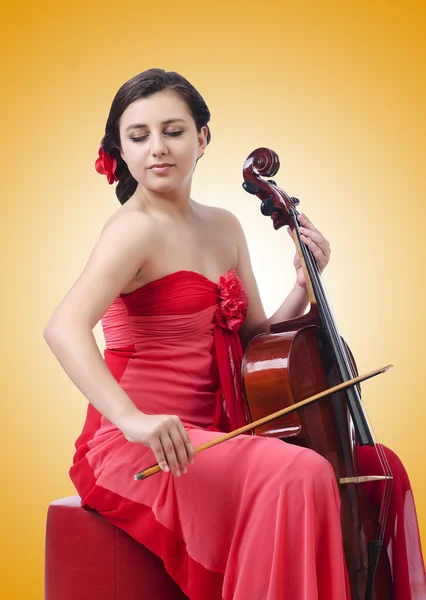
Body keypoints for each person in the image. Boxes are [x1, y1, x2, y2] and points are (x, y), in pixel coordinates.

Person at [43, 68, 425, 600]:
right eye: (139, 136)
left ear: (202, 138)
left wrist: (304, 283)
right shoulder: (134, 229)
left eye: (173, 131)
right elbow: (63, 326)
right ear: (120, 152)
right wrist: (133, 420)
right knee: (298, 474)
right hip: (145, 446)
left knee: (378, 465)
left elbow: (255, 342)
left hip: (222, 433)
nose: (158, 148)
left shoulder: (225, 225)